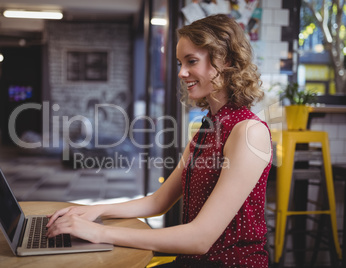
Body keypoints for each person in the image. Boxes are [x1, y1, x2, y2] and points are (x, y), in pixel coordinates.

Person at [46, 14, 272, 267]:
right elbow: (159, 201)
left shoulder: (249, 131)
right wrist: (95, 211)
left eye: (192, 61)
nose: (181, 73)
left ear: (225, 61)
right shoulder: (209, 127)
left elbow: (200, 239)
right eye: (180, 63)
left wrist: (98, 232)